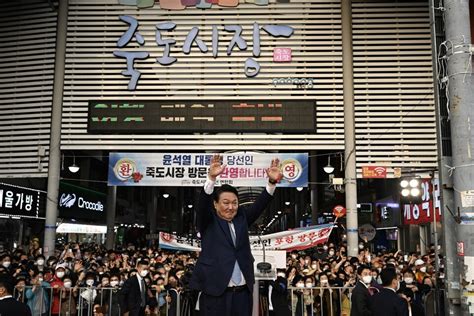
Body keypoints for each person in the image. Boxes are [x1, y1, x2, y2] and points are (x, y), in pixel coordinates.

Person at [189, 154, 282, 315]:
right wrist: (211, 178)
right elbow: (203, 204)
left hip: (242, 293)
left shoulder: (242, 218)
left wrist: (272, 182)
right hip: (215, 292)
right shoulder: (208, 221)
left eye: (234, 203)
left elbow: (260, 205)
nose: (231, 207)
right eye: (226, 203)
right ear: (216, 204)